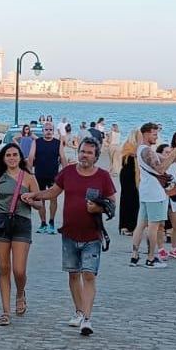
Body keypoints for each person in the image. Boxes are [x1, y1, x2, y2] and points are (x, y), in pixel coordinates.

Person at [24, 137, 115, 336]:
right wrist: (34, 196)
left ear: (96, 157)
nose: (85, 155)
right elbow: (53, 192)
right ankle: (79, 311)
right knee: (73, 274)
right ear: (78, 152)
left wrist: (98, 207)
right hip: (69, 233)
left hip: (92, 235)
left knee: (89, 275)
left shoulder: (103, 177)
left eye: (90, 153)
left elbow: (112, 204)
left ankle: (87, 319)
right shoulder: (67, 172)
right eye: (83, 151)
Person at [0, 143, 36, 326]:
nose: (12, 158)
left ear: (20, 157)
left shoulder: (28, 178)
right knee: (4, 268)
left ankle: (20, 293)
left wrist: (31, 200)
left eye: (15, 154)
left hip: (21, 223)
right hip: (1, 222)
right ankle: (5, 311)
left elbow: (40, 203)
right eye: (8, 155)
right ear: (4, 158)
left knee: (19, 270)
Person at [130, 122, 176, 268]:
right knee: (153, 227)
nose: (156, 137)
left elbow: (161, 160)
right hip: (154, 194)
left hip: (146, 192)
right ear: (146, 134)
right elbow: (160, 169)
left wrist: (174, 155)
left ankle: (134, 257)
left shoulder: (143, 150)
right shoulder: (146, 151)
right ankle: (150, 259)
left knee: (140, 225)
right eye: (154, 134)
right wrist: (173, 153)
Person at [29, 122, 63, 234]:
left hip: (54, 175)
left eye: (50, 130)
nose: (48, 131)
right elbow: (31, 157)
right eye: (46, 129)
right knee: (40, 199)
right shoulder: (36, 142)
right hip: (39, 175)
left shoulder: (58, 143)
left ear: (53, 131)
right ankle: (43, 223)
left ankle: (52, 222)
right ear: (43, 131)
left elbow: (62, 157)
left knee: (54, 199)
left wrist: (66, 172)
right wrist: (29, 172)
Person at [157, 140, 176, 261]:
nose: (169, 154)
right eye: (166, 152)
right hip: (161, 197)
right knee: (160, 225)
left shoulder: (175, 165)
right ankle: (160, 249)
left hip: (174, 198)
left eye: (170, 152)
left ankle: (174, 249)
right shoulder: (159, 167)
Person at [117, 137, 140, 235]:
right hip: (129, 177)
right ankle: (127, 226)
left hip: (130, 176)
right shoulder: (130, 148)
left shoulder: (129, 147)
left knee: (130, 201)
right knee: (130, 201)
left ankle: (127, 226)